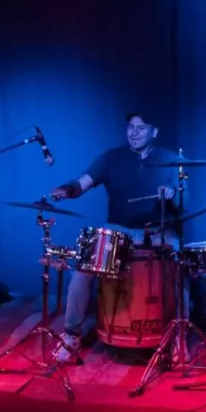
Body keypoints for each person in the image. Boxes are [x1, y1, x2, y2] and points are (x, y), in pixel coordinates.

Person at [49, 113, 183, 362]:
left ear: (154, 132)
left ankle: (178, 335)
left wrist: (171, 193)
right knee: (83, 268)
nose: (134, 132)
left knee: (181, 262)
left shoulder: (170, 159)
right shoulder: (111, 158)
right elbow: (81, 184)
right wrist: (67, 190)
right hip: (118, 229)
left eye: (141, 127)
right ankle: (71, 335)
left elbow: (182, 198)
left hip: (157, 230)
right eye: (130, 127)